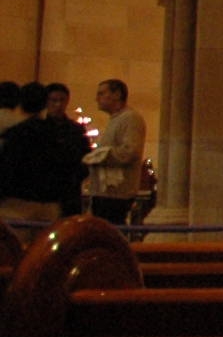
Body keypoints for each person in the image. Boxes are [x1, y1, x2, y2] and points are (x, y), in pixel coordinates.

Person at [0, 82, 85, 224]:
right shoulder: (59, 134)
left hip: (17, 201)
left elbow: (7, 167)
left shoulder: (16, 133)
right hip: (52, 202)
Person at [83, 78, 147, 226]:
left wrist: (99, 156)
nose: (97, 98)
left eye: (101, 93)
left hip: (117, 193)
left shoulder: (130, 118)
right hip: (105, 193)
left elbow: (130, 152)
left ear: (117, 94)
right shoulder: (116, 119)